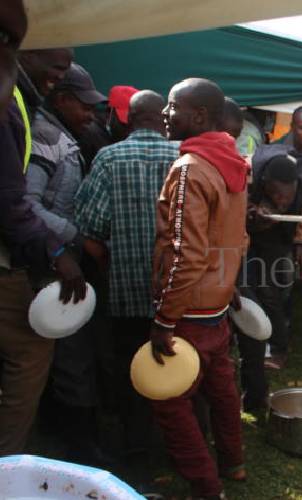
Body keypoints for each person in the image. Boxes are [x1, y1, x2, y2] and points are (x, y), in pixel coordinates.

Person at [150, 78, 249, 499]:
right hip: (217, 303)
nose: (164, 114)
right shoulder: (233, 161)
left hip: (189, 310)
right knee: (220, 387)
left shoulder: (191, 168)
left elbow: (186, 253)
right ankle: (233, 463)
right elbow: (236, 237)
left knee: (170, 399)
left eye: (172, 106)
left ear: (200, 115)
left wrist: (163, 318)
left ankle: (207, 487)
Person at [0, 0, 86, 457]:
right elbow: (16, 203)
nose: (59, 74)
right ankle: (9, 465)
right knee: (30, 360)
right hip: (10, 264)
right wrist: (60, 249)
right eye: (55, 66)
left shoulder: (21, 101)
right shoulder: (12, 102)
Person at [74, 90, 178, 462]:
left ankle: (136, 440)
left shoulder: (108, 157)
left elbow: (87, 230)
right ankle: (178, 439)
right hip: (177, 292)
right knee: (177, 361)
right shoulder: (184, 157)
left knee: (130, 362)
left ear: (126, 120)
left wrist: (107, 264)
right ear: (162, 119)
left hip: (126, 289)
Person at [26, 62, 108, 464]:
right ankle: (79, 448)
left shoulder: (63, 135)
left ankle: (62, 428)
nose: (91, 115)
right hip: (49, 261)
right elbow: (26, 204)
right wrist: (73, 242)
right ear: (61, 99)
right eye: (84, 106)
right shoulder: (46, 137)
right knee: (71, 350)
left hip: (55, 257)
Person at [238, 146, 302, 401]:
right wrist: (251, 211)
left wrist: (300, 247)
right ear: (264, 183)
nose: (282, 201)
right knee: (251, 289)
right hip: (250, 232)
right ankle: (255, 343)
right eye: (276, 195)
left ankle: (279, 348)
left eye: (287, 196)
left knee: (275, 293)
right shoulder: (249, 170)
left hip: (281, 236)